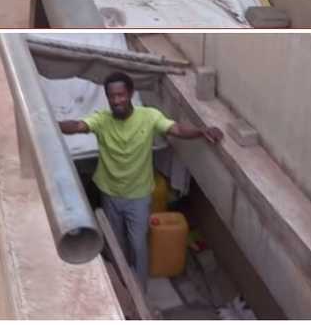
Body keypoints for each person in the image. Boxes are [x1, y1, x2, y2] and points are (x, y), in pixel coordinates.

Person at [58, 71, 221, 292]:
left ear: (131, 94)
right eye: (112, 96)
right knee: (117, 243)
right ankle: (124, 285)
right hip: (110, 194)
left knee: (138, 245)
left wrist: (202, 131)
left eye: (121, 95)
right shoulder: (101, 119)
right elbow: (77, 126)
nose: (117, 101)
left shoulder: (149, 116)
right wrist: (49, 122)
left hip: (139, 197)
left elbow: (177, 129)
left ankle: (140, 290)